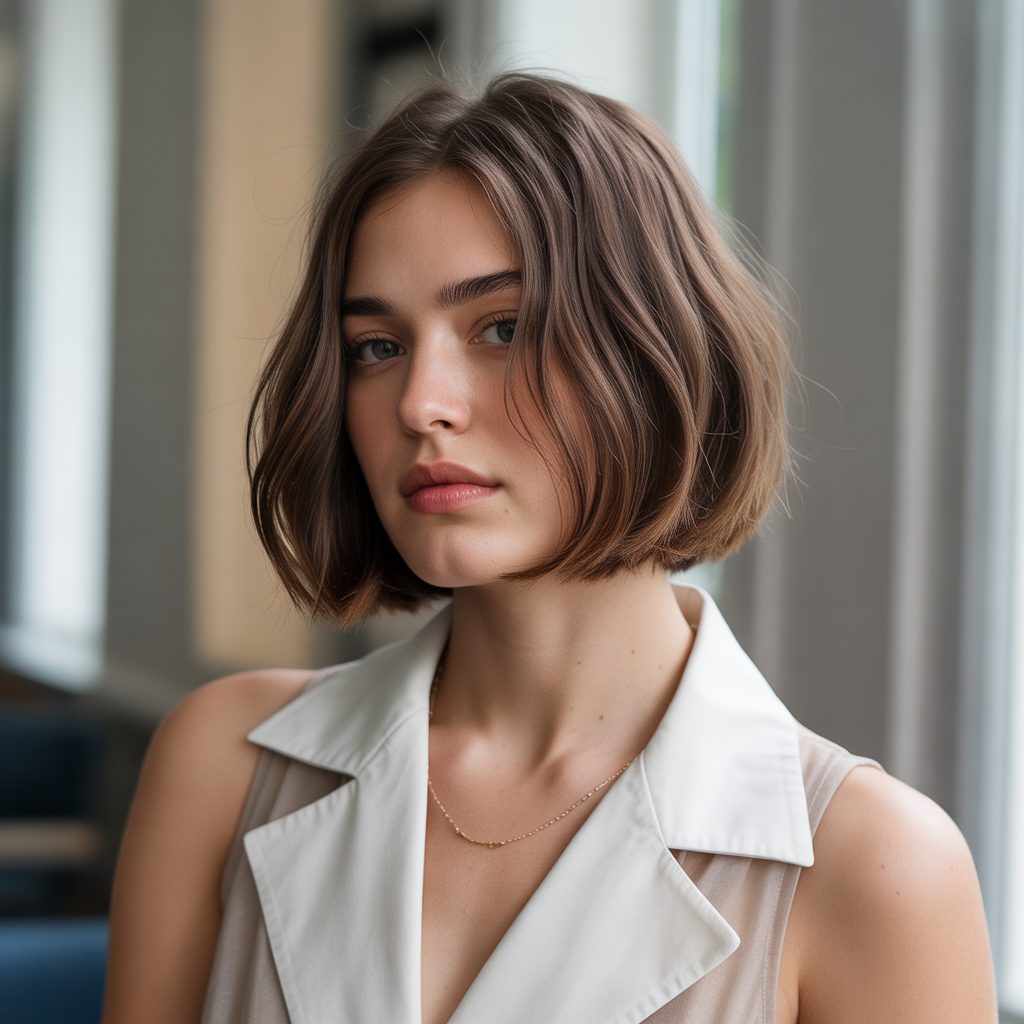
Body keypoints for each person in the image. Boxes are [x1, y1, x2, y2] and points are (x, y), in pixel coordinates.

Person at [102, 74, 997, 1024]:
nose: (420, 403)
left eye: (503, 326)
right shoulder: (224, 764)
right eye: (376, 346)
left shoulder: (876, 868)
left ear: (655, 352)